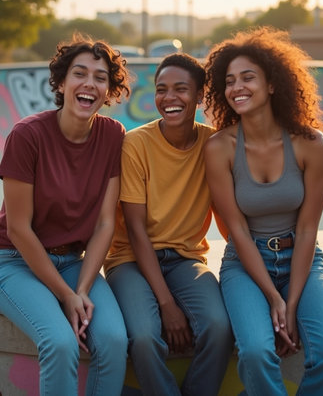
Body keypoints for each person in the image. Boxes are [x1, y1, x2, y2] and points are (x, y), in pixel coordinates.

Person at [203, 26, 323, 395]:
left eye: (248, 77)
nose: (237, 87)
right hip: (245, 263)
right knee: (254, 353)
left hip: (303, 258)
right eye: (230, 80)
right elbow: (234, 229)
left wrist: (292, 303)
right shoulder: (220, 147)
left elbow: (307, 229)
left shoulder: (311, 144)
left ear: (272, 84)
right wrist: (273, 298)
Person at [0, 34, 131, 396]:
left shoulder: (113, 135)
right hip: (12, 262)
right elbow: (18, 229)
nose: (89, 83)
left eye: (100, 77)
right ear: (62, 83)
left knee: (113, 340)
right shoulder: (27, 135)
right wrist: (66, 296)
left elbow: (104, 223)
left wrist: (80, 289)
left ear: (108, 91)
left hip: (73, 263)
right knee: (60, 343)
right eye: (80, 73)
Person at [104, 53, 233, 396]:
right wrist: (167, 304)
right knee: (145, 336)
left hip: (186, 260)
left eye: (181, 89)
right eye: (162, 89)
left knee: (219, 327)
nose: (169, 97)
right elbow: (135, 230)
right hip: (130, 259)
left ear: (200, 96)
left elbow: (230, 216)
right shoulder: (136, 144)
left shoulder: (213, 144)